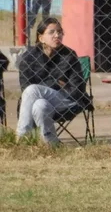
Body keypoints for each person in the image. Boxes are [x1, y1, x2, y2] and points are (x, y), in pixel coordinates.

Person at [16, 18, 87, 146]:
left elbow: (77, 89)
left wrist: (43, 87)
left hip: (67, 99)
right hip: (40, 101)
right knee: (40, 105)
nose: (57, 35)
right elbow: (24, 88)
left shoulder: (69, 55)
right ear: (41, 37)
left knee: (33, 90)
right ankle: (51, 145)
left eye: (59, 32)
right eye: (51, 32)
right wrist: (55, 82)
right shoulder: (29, 57)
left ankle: (21, 139)